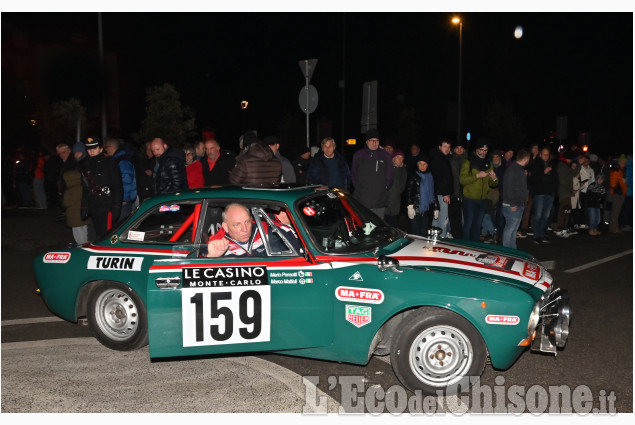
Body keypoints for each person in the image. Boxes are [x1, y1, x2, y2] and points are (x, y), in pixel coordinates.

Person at [78, 136, 123, 238]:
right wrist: (84, 207)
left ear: (101, 149)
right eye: (89, 149)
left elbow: (117, 188)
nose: (91, 151)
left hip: (107, 205)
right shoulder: (86, 165)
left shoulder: (110, 164)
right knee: (96, 237)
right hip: (94, 206)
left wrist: (116, 208)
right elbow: (85, 188)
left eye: (94, 148)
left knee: (106, 236)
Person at [206, 203, 289, 257]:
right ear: (225, 227)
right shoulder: (216, 244)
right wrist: (211, 257)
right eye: (237, 224)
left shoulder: (265, 229)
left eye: (247, 222)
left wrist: (286, 226)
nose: (244, 229)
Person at [459, 139, 499, 241]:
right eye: (481, 149)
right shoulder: (468, 161)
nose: (483, 152)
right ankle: (465, 248)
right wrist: (477, 175)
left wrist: (494, 178)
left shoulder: (488, 163)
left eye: (486, 150)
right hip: (470, 200)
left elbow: (493, 184)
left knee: (477, 226)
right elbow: (462, 180)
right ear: (476, 149)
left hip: (482, 200)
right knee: (468, 225)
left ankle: (473, 249)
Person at [351, 129, 393, 218]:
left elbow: (390, 175)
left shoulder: (385, 155)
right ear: (367, 141)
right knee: (364, 228)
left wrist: (384, 187)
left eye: (376, 140)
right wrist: (359, 189)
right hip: (362, 201)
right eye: (371, 140)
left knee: (378, 229)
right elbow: (354, 175)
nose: (374, 143)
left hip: (379, 202)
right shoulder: (358, 155)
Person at [61, 149, 92, 245]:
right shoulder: (83, 187)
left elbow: (65, 203)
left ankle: (80, 245)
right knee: (85, 231)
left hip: (74, 218)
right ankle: (86, 244)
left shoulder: (69, 191)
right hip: (84, 215)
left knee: (77, 232)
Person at [501, 149, 530, 249]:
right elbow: (508, 188)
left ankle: (512, 249)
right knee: (510, 228)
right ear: (526, 159)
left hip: (518, 204)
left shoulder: (519, 169)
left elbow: (520, 186)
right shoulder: (513, 169)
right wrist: (512, 204)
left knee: (514, 229)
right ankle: (506, 249)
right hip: (512, 205)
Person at [529, 147, 558, 243]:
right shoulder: (536, 164)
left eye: (547, 154)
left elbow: (556, 179)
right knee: (538, 214)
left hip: (550, 193)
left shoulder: (552, 164)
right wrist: (544, 172)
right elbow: (533, 179)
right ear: (541, 154)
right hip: (539, 193)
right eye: (544, 154)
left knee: (546, 215)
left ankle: (543, 234)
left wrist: (554, 190)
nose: (546, 156)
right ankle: (536, 235)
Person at [105, 137, 138, 220]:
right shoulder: (117, 159)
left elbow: (126, 180)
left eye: (106, 147)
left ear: (111, 147)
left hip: (123, 201)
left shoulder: (122, 161)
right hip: (120, 199)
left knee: (122, 224)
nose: (106, 150)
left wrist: (123, 198)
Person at [406, 156, 438, 237]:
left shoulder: (430, 176)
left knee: (424, 234)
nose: (422, 166)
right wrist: (410, 206)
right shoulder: (413, 175)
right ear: (417, 165)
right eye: (420, 164)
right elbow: (409, 191)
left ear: (427, 165)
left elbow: (433, 193)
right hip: (415, 208)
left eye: (424, 164)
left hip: (427, 210)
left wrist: (436, 207)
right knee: (416, 234)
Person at [429, 138, 453, 237]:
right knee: (443, 217)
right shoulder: (438, 159)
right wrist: (445, 193)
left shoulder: (443, 158)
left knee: (437, 216)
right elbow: (438, 178)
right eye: (445, 146)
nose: (447, 149)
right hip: (441, 193)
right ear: (439, 147)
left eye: (448, 147)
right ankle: (441, 238)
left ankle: (433, 237)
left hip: (440, 192)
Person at [553, 156, 578, 237]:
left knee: (567, 211)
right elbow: (563, 180)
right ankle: (559, 229)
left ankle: (563, 228)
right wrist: (571, 190)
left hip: (567, 192)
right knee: (563, 211)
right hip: (564, 192)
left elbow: (574, 173)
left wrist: (579, 164)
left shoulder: (566, 166)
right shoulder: (562, 165)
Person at [448, 142, 467, 238]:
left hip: (465, 194)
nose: (459, 150)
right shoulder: (451, 159)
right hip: (453, 193)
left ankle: (462, 237)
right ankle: (455, 235)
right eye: (457, 148)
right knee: (453, 217)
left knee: (463, 219)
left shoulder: (467, 160)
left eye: (461, 148)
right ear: (454, 150)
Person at [385, 150, 408, 227]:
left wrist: (397, 193)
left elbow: (403, 186)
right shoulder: (387, 168)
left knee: (393, 225)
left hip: (395, 203)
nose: (400, 160)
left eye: (402, 158)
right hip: (385, 201)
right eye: (398, 157)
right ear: (393, 158)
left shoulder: (403, 170)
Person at [608, 155, 627, 234]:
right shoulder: (616, 171)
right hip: (617, 194)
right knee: (616, 212)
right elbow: (613, 184)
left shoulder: (619, 171)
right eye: (622, 163)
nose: (623, 164)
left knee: (617, 212)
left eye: (624, 163)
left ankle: (614, 228)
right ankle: (614, 228)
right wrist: (619, 190)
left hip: (620, 193)